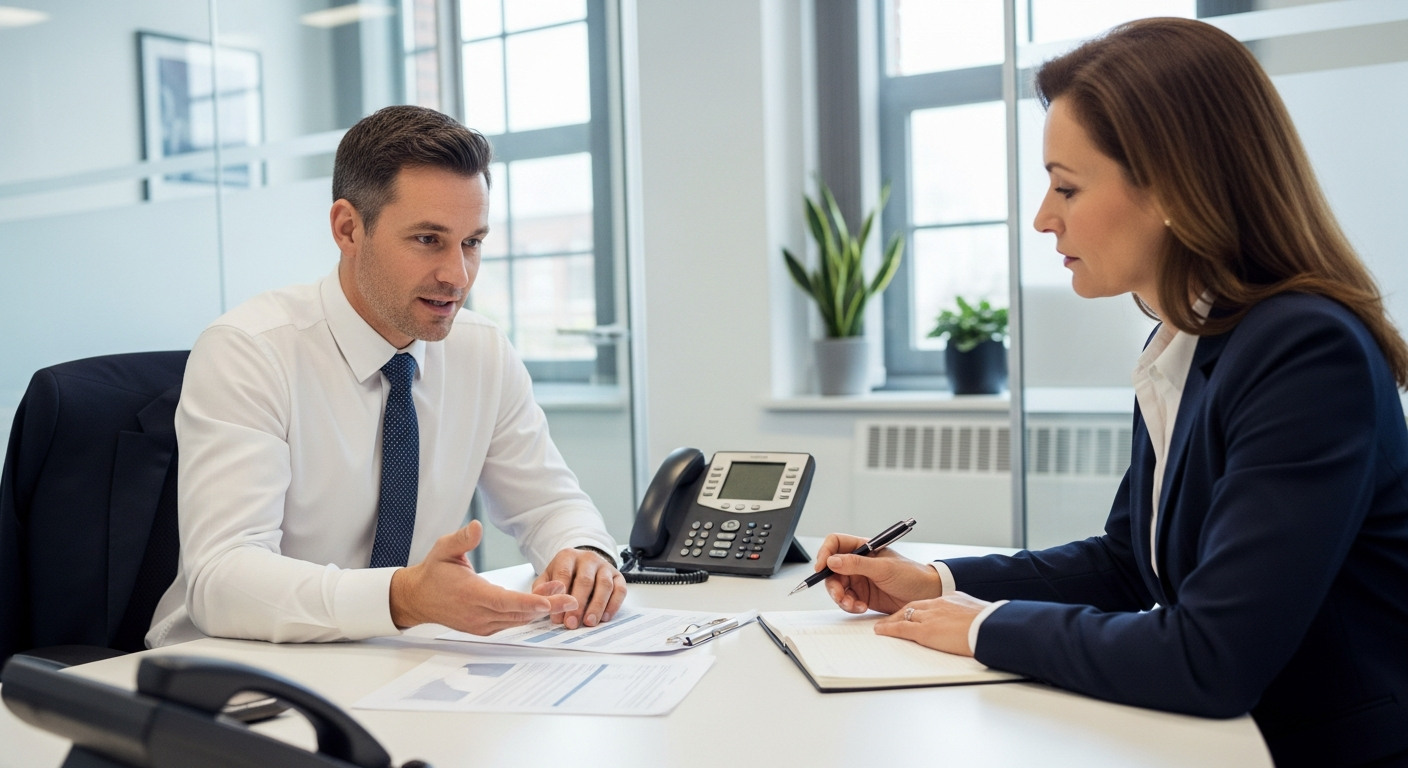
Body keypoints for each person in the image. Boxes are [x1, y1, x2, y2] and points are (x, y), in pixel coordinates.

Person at [816, 18, 1408, 768]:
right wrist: (932, 582)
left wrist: (978, 626)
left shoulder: (1303, 351)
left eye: (1066, 185)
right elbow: (1131, 561)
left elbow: (1210, 657)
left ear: (1170, 185)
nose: (1043, 217)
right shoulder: (1188, 338)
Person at [146, 105, 626, 649]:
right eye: (428, 240)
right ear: (348, 228)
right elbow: (223, 579)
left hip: (395, 664)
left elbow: (547, 504)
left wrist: (585, 555)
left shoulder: (482, 352)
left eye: (472, 242)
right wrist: (401, 598)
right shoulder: (250, 353)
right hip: (236, 669)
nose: (457, 275)